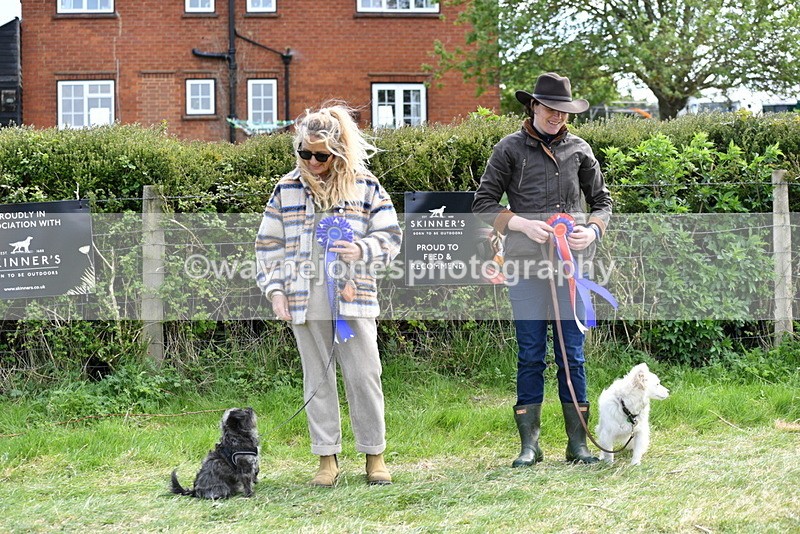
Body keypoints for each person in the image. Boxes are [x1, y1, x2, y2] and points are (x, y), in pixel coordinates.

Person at [255, 104, 402, 486]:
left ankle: (375, 456)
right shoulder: (285, 188)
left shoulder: (365, 185)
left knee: (365, 374)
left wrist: (362, 250)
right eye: (305, 152)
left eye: (321, 155)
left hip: (354, 297)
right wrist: (275, 293)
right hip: (304, 300)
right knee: (316, 379)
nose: (312, 160)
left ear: (338, 151)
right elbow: (268, 244)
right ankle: (327, 459)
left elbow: (390, 235)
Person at [472, 72, 612, 466]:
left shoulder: (580, 149)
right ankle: (529, 446)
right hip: (523, 267)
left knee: (573, 353)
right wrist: (519, 223)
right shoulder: (509, 149)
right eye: (550, 109)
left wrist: (592, 230)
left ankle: (578, 444)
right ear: (533, 106)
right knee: (531, 353)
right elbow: (483, 202)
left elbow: (602, 201)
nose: (557, 117)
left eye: (564, 111)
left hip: (571, 269)